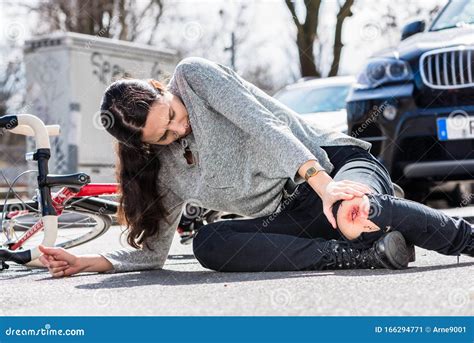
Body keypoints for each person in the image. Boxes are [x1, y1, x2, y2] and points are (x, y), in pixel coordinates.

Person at [39, 57, 473, 277]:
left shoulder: (193, 78)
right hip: (293, 213)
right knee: (209, 243)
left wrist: (324, 187)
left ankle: (460, 238)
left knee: (354, 207)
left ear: (161, 89)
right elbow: (153, 253)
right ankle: (357, 253)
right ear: (147, 147)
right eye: (164, 136)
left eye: (171, 114)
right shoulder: (165, 171)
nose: (179, 127)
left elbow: (264, 126)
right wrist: (88, 261)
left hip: (331, 165)